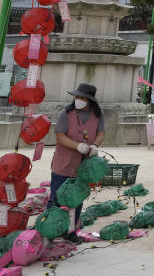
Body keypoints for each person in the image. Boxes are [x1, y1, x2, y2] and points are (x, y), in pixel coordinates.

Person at [50, 83, 104, 242]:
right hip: (64, 162)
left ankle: (71, 230)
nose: (77, 99)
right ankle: (51, 230)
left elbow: (102, 133)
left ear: (89, 100)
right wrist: (76, 146)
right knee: (56, 197)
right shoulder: (66, 113)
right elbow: (59, 135)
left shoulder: (98, 115)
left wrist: (95, 145)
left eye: (81, 97)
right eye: (76, 96)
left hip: (83, 166)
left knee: (77, 198)